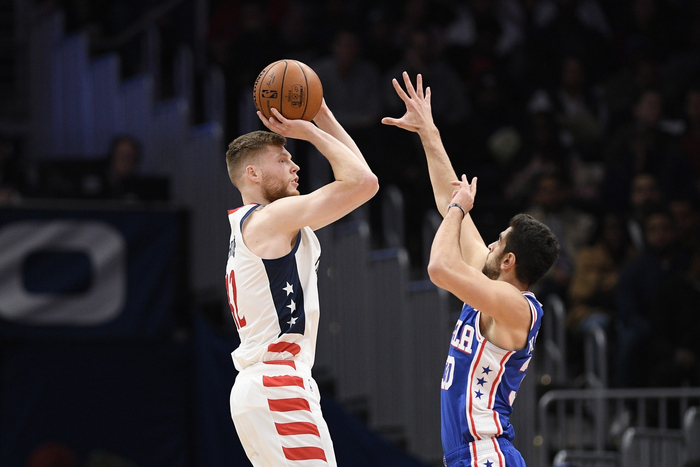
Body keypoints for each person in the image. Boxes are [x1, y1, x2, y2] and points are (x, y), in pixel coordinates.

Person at [383, 72, 559, 467]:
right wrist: (428, 132)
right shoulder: (489, 284)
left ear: (509, 261)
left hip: (486, 454)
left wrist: (459, 209)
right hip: (471, 455)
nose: (490, 245)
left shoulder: (516, 307)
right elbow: (448, 199)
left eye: (498, 242)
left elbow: (439, 266)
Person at [224, 100, 378, 466]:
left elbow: (361, 177)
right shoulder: (271, 220)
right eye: (282, 160)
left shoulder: (269, 223)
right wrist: (309, 130)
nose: (295, 166)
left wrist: (323, 115)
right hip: (277, 381)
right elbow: (364, 183)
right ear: (252, 174)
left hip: (265, 385)